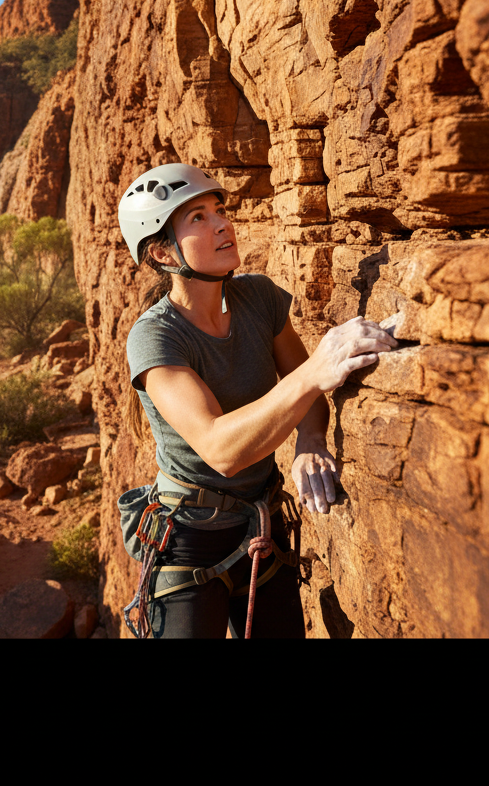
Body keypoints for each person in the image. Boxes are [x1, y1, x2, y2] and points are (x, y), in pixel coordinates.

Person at [119, 162, 397, 638]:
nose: (222, 224)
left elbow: (307, 392)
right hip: (188, 538)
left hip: (261, 522)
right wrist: (316, 368)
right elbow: (221, 449)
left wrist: (311, 439)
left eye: (219, 210)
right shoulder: (155, 337)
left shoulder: (258, 297)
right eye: (198, 218)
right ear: (163, 253)